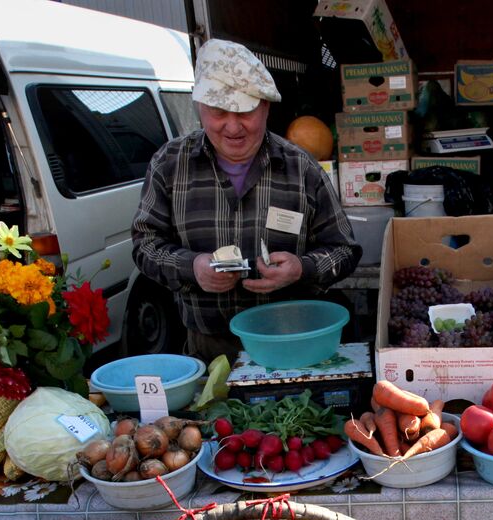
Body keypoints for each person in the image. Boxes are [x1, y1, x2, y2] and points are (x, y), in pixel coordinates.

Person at [132, 39, 361, 361]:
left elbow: (344, 250)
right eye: (218, 112)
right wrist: (192, 267)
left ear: (265, 107)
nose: (233, 126)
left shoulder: (301, 168)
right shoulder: (170, 164)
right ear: (200, 107)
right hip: (210, 347)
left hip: (290, 341)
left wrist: (301, 269)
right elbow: (145, 244)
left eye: (245, 112)